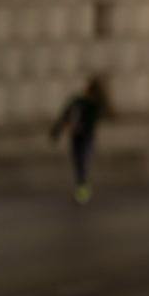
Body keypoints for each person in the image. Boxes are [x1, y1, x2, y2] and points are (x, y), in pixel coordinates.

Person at [50, 75, 110, 204]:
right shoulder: (79, 102)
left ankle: (82, 190)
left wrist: (62, 129)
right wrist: (58, 130)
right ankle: (82, 188)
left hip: (84, 137)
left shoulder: (91, 105)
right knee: (79, 162)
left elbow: (88, 122)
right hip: (79, 137)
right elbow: (65, 116)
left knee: (82, 162)